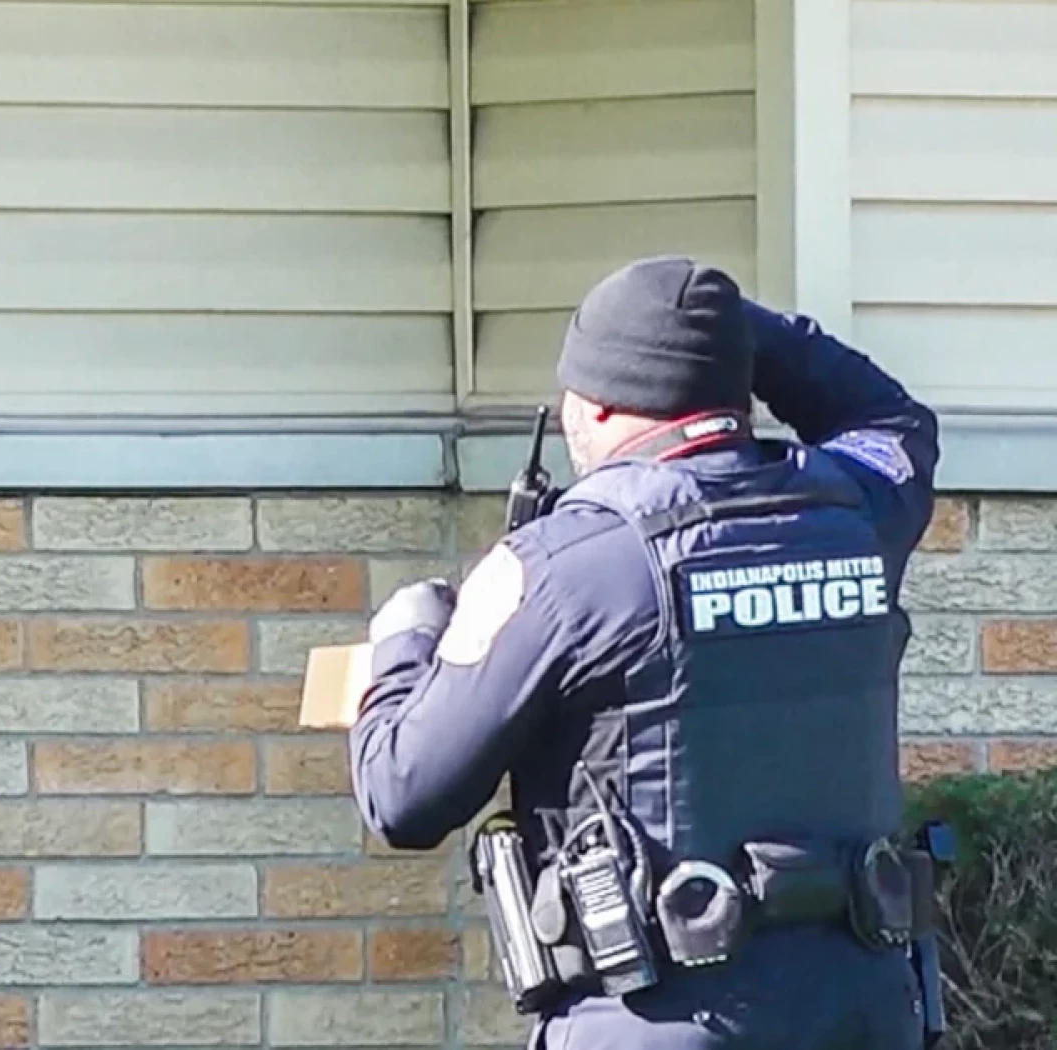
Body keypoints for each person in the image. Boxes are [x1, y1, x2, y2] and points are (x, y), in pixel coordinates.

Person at [350, 256, 937, 1049]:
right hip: (860, 1015)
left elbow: (403, 793)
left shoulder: (565, 567)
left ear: (593, 405)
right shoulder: (858, 512)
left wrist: (405, 643)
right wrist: (712, 327)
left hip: (654, 1020)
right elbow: (891, 418)